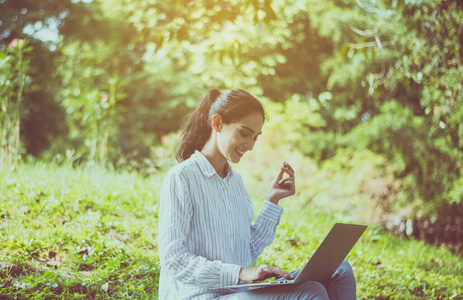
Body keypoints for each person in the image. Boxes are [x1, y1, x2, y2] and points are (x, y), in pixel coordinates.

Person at [158, 89, 356, 299]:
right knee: (311, 292)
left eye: (255, 137)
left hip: (238, 292)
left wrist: (273, 200)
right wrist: (241, 273)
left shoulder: (235, 182)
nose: (250, 145)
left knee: (341, 271)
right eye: (244, 133)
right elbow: (173, 259)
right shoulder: (181, 177)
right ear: (217, 123)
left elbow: (245, 249)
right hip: (199, 296)